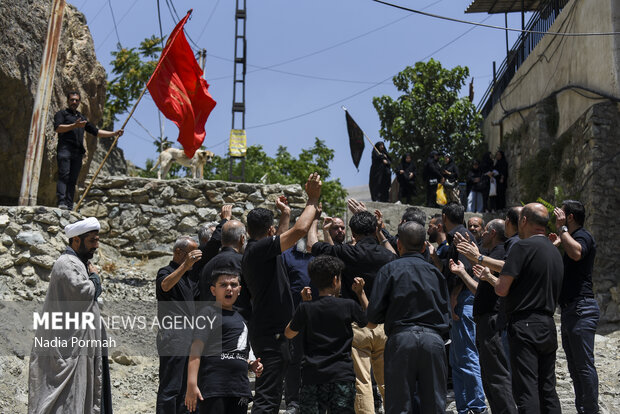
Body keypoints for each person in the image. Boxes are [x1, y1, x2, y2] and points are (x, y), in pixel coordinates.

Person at [241, 173, 322, 413]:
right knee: (266, 399)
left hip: (276, 333)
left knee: (273, 397)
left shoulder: (261, 250)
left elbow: (281, 241)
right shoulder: (258, 251)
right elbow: (300, 230)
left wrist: (285, 214)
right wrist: (312, 198)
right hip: (270, 336)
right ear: (269, 231)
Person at [308, 210, 397, 413]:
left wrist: (314, 219)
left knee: (362, 384)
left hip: (357, 325)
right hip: (385, 327)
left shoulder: (347, 253)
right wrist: (381, 231)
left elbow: (313, 246)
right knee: (388, 383)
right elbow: (395, 255)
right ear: (375, 230)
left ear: (352, 233)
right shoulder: (388, 257)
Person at [28, 217, 113, 414]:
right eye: (92, 240)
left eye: (97, 240)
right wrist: (95, 278)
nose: (96, 245)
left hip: (80, 347)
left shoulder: (78, 263)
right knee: (65, 399)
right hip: (67, 350)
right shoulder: (67, 263)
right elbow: (83, 293)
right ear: (76, 240)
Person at [367, 221, 450, 414]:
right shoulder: (436, 274)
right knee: (435, 405)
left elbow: (373, 314)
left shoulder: (389, 270)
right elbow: (447, 313)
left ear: (399, 245)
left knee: (398, 404)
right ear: (424, 247)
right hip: (434, 340)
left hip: (401, 339)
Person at [495, 203, 563, 413]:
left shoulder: (521, 247)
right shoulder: (555, 252)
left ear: (523, 221)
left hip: (524, 326)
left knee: (526, 390)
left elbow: (502, 289)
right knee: (547, 389)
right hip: (548, 324)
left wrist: (490, 278)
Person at [285, 256, 368, 413]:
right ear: (336, 280)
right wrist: (361, 293)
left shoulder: (306, 309)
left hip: (312, 376)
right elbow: (370, 323)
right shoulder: (348, 306)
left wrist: (303, 304)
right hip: (341, 375)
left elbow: (289, 333)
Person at [450, 220, 517, 414]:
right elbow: (480, 291)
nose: (480, 236)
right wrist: (463, 272)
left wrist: (477, 257)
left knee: (498, 377)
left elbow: (501, 279)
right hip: (485, 321)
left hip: (494, 321)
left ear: (493, 233)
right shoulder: (489, 255)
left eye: (485, 231)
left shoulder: (499, 252)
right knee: (490, 377)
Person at [428, 202, 486, 414]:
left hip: (462, 301)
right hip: (459, 301)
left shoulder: (461, 237)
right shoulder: (457, 237)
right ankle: (465, 406)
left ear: (444, 217)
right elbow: (448, 268)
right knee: (457, 357)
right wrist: (435, 257)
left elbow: (465, 270)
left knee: (467, 354)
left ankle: (477, 406)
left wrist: (453, 298)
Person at [185, 269, 264, 413]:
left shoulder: (241, 319)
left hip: (239, 390)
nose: (229, 288)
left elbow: (239, 352)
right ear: (213, 290)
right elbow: (195, 350)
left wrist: (252, 365)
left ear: (239, 290)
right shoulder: (207, 313)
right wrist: (191, 384)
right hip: (215, 388)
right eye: (223, 285)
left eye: (233, 285)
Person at [550, 200, 600, 414]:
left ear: (569, 217)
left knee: (584, 366)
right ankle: (583, 408)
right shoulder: (570, 238)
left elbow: (577, 253)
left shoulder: (583, 236)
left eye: (560, 214)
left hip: (582, 309)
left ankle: (590, 410)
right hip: (571, 310)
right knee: (575, 367)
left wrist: (562, 230)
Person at [155, 235, 202, 413]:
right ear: (178, 252)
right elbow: (165, 286)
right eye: (192, 253)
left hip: (189, 336)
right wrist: (185, 266)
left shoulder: (191, 278)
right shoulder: (165, 271)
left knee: (185, 387)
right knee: (170, 386)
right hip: (173, 336)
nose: (195, 258)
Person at [54, 91, 123, 209]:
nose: (74, 102)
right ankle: (61, 202)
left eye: (76, 100)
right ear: (68, 101)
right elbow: (58, 128)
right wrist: (73, 126)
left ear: (79, 102)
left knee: (73, 179)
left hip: (77, 152)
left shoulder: (81, 118)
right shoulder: (62, 114)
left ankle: (69, 205)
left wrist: (114, 133)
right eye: (72, 100)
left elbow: (95, 132)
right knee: (64, 175)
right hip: (65, 150)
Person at [198, 219, 251, 321]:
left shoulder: (208, 265)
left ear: (222, 240)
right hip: (237, 323)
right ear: (242, 239)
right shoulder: (243, 262)